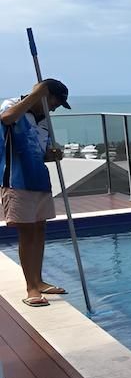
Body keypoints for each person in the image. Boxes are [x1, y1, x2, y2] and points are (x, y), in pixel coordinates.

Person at [1, 79, 71, 307]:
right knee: (27, 231)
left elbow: (42, 154)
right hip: (16, 180)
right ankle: (31, 287)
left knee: (39, 229)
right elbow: (6, 118)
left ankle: (39, 281)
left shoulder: (45, 122)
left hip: (39, 181)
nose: (55, 108)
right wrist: (36, 94)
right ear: (44, 94)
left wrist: (53, 155)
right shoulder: (13, 105)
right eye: (55, 102)